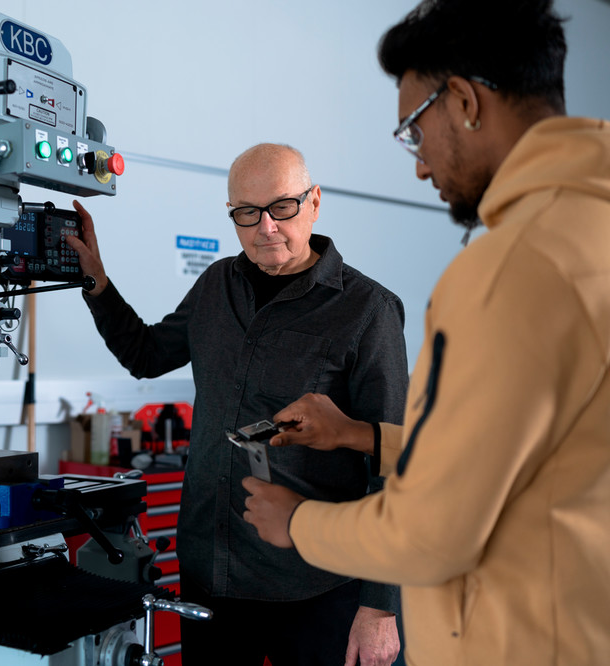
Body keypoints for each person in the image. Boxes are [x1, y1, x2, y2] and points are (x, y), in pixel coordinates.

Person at [241, 1, 610, 665]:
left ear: (464, 101)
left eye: (414, 130)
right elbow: (534, 453)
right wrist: (358, 434)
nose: (418, 166)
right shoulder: (592, 229)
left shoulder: (510, 269)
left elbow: (431, 529)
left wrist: (295, 520)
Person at [67, 143, 408, 665]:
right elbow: (145, 353)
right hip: (214, 575)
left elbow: (393, 463)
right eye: (247, 213)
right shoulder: (215, 287)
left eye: (282, 207)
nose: (266, 227)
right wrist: (96, 281)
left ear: (314, 202)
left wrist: (380, 608)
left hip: (317, 585)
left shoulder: (367, 310)